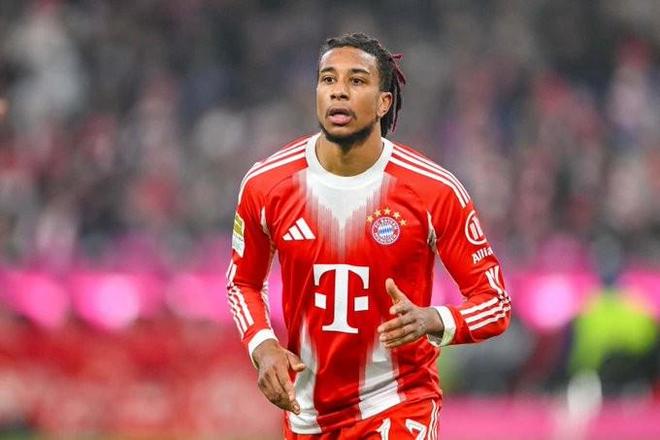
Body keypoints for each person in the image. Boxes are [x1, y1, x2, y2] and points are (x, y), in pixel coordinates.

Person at [226, 33, 511, 439]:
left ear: (384, 103)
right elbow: (243, 282)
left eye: (357, 81)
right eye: (328, 79)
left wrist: (435, 319)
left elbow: (495, 301)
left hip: (398, 406)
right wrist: (262, 345)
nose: (338, 91)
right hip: (307, 417)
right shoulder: (267, 184)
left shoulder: (433, 190)